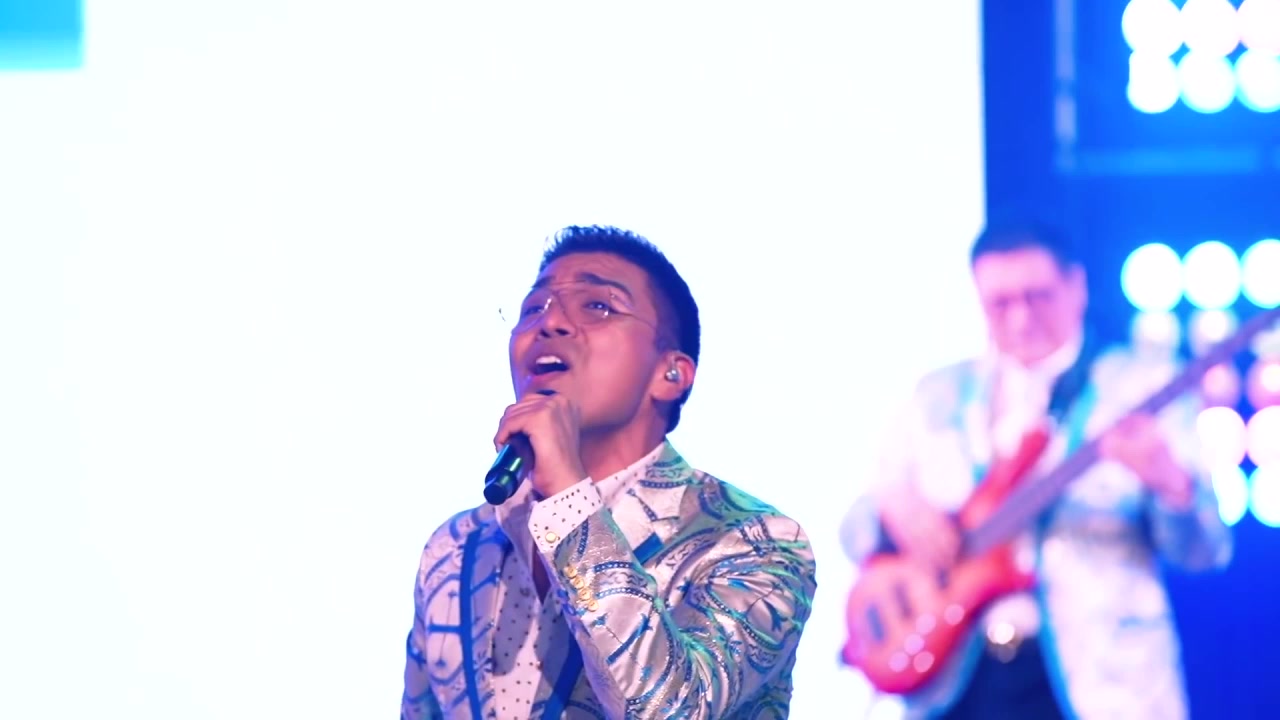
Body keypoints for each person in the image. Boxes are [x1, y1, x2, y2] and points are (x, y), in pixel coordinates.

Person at [401, 225, 817, 719]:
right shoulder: (456, 546)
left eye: (598, 306)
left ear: (671, 373)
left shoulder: (755, 541)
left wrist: (568, 501)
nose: (551, 322)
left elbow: (671, 709)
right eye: (534, 308)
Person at [839, 221, 1232, 720]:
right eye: (1000, 303)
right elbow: (854, 530)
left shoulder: (1142, 386)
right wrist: (892, 510)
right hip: (956, 684)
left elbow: (1205, 551)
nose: (1020, 319)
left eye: (1038, 296)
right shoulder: (936, 394)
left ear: (1077, 286)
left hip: (1099, 687)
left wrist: (1169, 482)